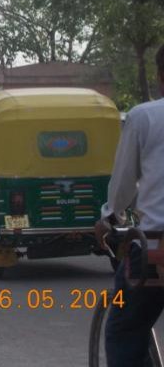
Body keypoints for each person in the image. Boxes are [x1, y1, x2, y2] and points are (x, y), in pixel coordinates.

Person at [95, 43, 164, 366]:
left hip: (155, 248)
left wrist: (109, 216)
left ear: (160, 75)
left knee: (124, 332)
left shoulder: (144, 116)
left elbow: (123, 184)